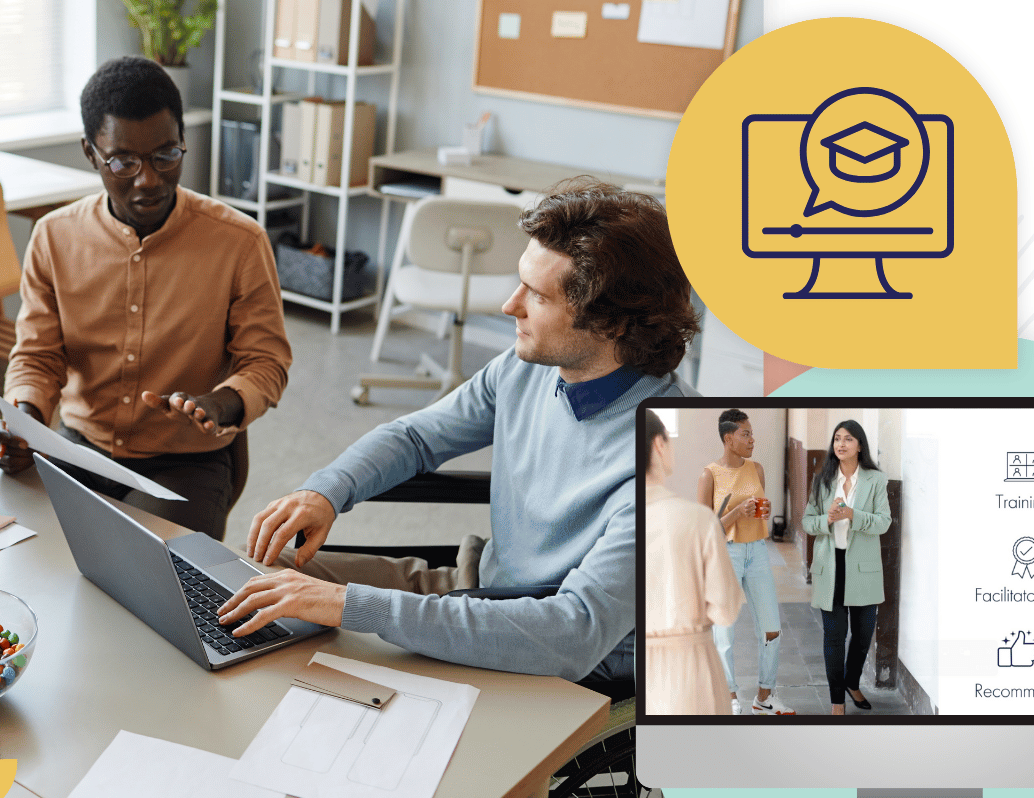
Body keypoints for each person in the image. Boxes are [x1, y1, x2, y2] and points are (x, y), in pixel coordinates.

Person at [218, 178, 698, 691]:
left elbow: (572, 633)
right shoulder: (527, 368)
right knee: (255, 575)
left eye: (536, 295)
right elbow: (417, 437)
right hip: (477, 589)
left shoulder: (672, 459)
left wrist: (350, 606)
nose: (509, 306)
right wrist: (326, 491)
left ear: (612, 323)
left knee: (326, 638)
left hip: (557, 659)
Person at [0, 57, 292, 539]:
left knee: (152, 577)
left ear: (183, 143)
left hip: (187, 462)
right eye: (124, 161)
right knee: (11, 547)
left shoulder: (239, 242)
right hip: (80, 448)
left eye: (166, 155)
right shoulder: (54, 237)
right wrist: (25, 424)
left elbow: (266, 361)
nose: (148, 179)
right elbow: (38, 357)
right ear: (91, 153)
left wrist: (223, 404)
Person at [644, 411, 743, 715]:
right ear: (659, 445)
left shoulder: (615, 520)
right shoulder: (696, 519)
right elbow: (726, 610)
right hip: (691, 667)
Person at [697, 408, 792, 715]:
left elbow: (761, 510)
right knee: (724, 631)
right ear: (729, 438)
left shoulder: (757, 469)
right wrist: (738, 513)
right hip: (728, 554)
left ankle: (764, 698)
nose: (753, 439)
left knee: (771, 629)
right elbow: (706, 529)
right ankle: (730, 697)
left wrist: (761, 512)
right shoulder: (709, 475)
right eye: (746, 433)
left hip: (759, 552)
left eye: (752, 433)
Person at [801, 419, 892, 714]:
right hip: (831, 566)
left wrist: (853, 514)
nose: (840, 444)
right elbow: (807, 522)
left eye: (848, 439)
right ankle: (837, 702)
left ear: (860, 445)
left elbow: (883, 523)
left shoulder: (875, 480)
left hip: (864, 569)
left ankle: (852, 682)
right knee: (834, 637)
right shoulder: (823, 479)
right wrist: (826, 520)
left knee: (864, 634)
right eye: (837, 439)